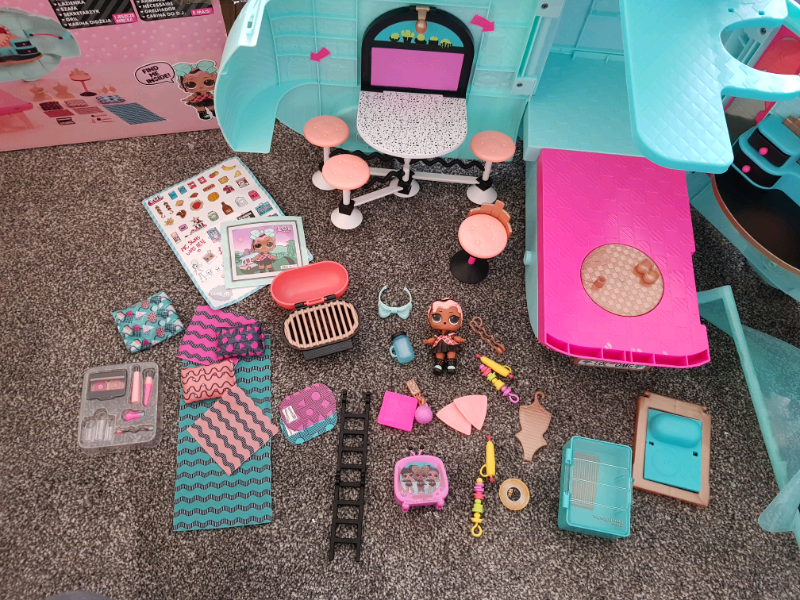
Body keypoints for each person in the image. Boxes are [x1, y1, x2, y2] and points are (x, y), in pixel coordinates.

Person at [423, 298, 466, 375]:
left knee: (451, 353)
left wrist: (460, 339)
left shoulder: (451, 336)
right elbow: (433, 339)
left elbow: (455, 338)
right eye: (436, 317)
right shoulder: (438, 337)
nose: (445, 322)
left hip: (450, 345)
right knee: (439, 354)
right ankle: (438, 365)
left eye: (453, 319)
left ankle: (451, 365)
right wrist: (428, 341)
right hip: (440, 345)